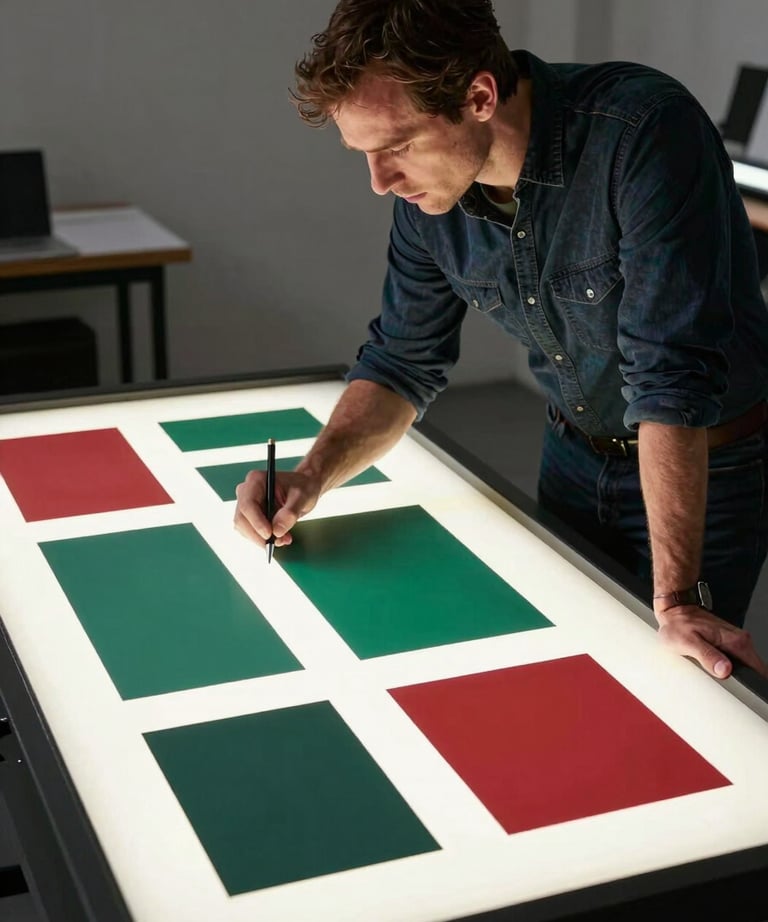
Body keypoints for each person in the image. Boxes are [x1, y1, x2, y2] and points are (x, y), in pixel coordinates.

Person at [235, 0, 768, 680]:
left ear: (479, 96)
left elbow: (669, 382)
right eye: (363, 155)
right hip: (572, 454)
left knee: (681, 681)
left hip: (708, 466)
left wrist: (678, 599)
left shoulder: (643, 133)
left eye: (396, 146)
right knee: (582, 674)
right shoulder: (430, 203)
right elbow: (401, 361)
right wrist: (307, 480)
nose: (380, 183)